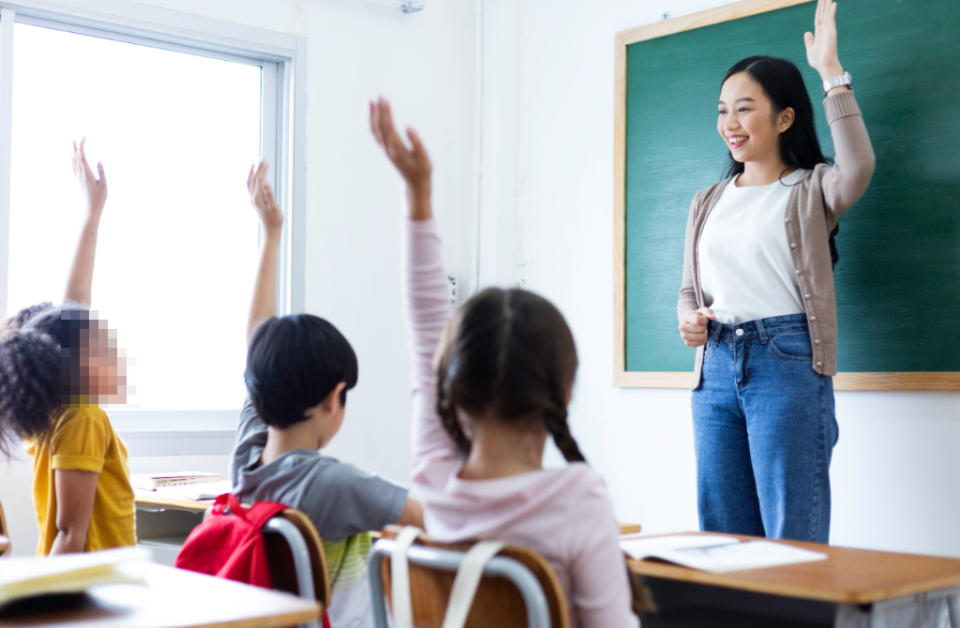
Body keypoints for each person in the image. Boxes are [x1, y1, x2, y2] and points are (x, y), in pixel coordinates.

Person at [370, 97, 639, 628]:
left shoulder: (432, 479)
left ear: (455, 388)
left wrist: (417, 194)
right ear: (562, 394)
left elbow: (427, 327)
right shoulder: (576, 502)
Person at [677, 0, 875, 542]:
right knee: (723, 538)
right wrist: (688, 319)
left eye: (744, 109)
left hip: (785, 362)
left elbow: (858, 166)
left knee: (792, 537)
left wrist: (831, 72)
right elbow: (691, 289)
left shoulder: (813, 188)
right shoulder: (706, 201)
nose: (729, 123)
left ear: (785, 117)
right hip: (713, 366)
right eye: (722, 110)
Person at [231, 161, 423, 628]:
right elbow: (433, 517)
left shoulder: (248, 458)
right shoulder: (332, 485)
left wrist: (271, 233)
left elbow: (258, 340)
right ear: (333, 398)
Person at [0, 139, 135, 555]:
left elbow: (72, 306)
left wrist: (93, 210)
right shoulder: (79, 416)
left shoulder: (52, 410)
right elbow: (70, 537)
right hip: (90, 592)